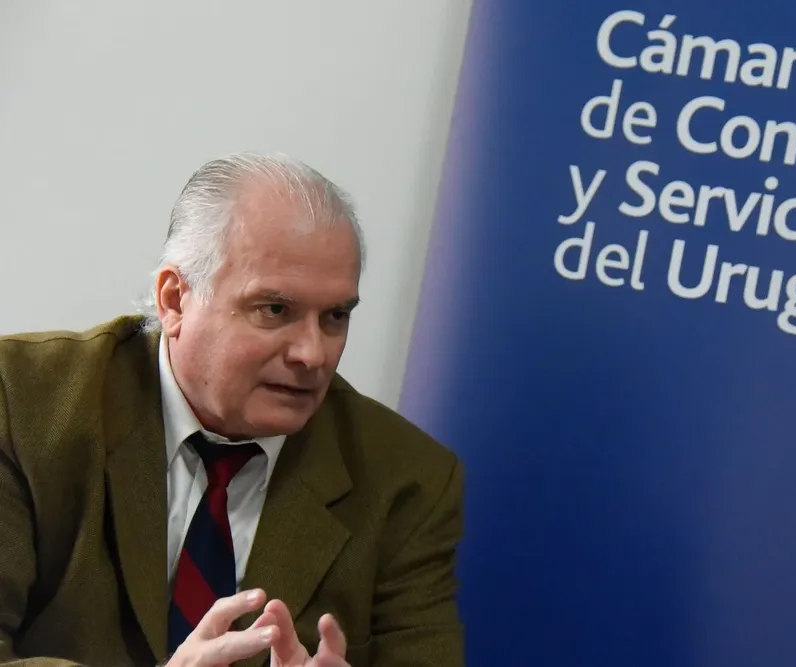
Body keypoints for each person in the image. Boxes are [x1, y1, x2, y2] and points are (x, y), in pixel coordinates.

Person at [0, 153, 465, 667]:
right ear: (175, 300)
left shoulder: (406, 481)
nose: (312, 354)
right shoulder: (22, 402)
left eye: (335, 316)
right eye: (275, 310)